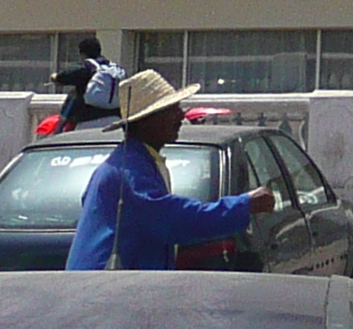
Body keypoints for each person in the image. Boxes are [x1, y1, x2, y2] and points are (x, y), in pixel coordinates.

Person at [65, 69, 278, 272]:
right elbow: (173, 220)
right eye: (172, 110)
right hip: (108, 292)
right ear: (147, 121)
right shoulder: (129, 170)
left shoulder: (134, 161)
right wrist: (243, 205)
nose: (180, 117)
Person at [56, 37, 125, 130]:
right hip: (115, 119)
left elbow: (62, 77)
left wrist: (54, 77)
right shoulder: (114, 68)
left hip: (89, 120)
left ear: (82, 53)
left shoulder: (87, 67)